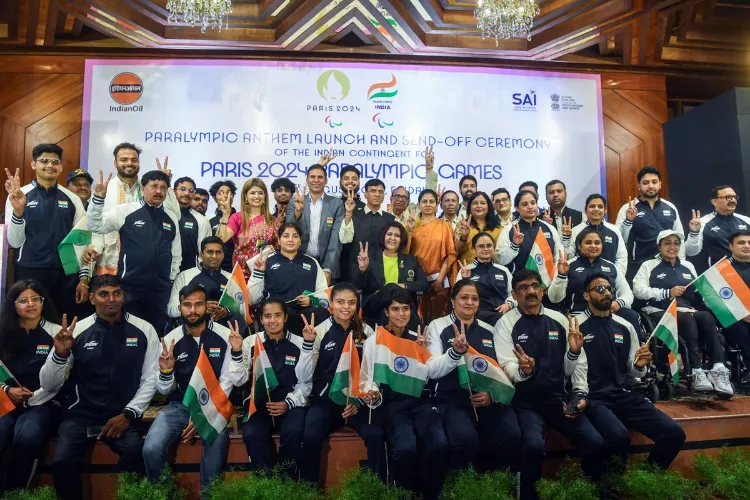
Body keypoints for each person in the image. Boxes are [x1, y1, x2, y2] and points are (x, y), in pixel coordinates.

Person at [40, 275, 160, 500]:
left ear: (123, 296)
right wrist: (60, 354)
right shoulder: (76, 331)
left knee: (136, 455)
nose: (111, 299)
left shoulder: (144, 329)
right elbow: (48, 384)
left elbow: (151, 378)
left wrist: (128, 414)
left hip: (122, 416)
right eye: (104, 294)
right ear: (92, 298)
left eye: (117, 293)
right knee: (61, 462)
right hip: (80, 416)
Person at [495, 268, 604, 500]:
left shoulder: (560, 320)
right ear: (514, 295)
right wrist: (523, 370)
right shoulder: (505, 324)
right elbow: (507, 367)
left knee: (595, 443)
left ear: (543, 291)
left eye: (535, 286)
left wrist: (574, 357)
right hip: (524, 402)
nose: (530, 291)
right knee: (533, 447)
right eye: (523, 288)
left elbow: (573, 366)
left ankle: (581, 493)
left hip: (557, 399)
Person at [359, 288, 466, 499]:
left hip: (421, 403)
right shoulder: (376, 340)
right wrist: (372, 394)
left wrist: (455, 352)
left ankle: (430, 494)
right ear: (386, 312)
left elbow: (434, 369)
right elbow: (367, 378)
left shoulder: (419, 337)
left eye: (406, 309)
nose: (401, 314)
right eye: (395, 309)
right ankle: (404, 494)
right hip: (392, 405)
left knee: (440, 445)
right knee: (405, 449)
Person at [578, 273, 686, 475]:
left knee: (674, 434)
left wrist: (640, 364)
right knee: (618, 437)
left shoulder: (625, 326)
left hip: (623, 394)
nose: (606, 293)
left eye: (610, 289)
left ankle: (647, 481)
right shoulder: (575, 324)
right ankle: (611, 488)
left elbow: (635, 372)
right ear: (586, 296)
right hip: (593, 397)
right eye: (600, 289)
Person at [143, 284, 234, 493]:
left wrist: (204, 412)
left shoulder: (226, 335)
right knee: (151, 448)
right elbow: (165, 390)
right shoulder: (169, 340)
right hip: (179, 407)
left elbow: (228, 379)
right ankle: (167, 496)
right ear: (180, 307)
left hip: (214, 406)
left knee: (216, 445)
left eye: (198, 304)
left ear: (207, 307)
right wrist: (166, 372)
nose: (193, 310)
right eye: (187, 305)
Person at [427, 279, 521, 473]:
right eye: (464, 297)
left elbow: (500, 372)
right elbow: (432, 370)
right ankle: (463, 490)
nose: (469, 302)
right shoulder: (437, 326)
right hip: (451, 401)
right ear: (453, 300)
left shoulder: (490, 330)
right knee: (465, 440)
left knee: (511, 435)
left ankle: (496, 487)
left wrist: (492, 395)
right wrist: (454, 353)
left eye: (474, 298)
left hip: (485, 401)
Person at [300, 283, 386, 485]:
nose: (346, 307)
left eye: (351, 302)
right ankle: (307, 491)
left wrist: (362, 398)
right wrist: (307, 344)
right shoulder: (318, 331)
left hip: (357, 401)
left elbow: (373, 371)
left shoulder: (367, 331)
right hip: (326, 401)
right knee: (310, 437)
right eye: (340, 302)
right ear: (331, 304)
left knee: (376, 435)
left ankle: (377, 491)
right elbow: (304, 375)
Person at [633, 230, 732, 395]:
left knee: (707, 317)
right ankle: (696, 370)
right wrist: (667, 293)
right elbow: (638, 290)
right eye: (667, 243)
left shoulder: (688, 266)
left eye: (676, 243)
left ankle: (718, 368)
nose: (672, 247)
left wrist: (718, 304)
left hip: (686, 308)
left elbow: (700, 290)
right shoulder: (648, 265)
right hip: (660, 310)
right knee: (686, 319)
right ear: (659, 246)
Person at [88, 170, 181, 334]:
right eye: (154, 186)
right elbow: (95, 225)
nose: (158, 191)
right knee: (127, 333)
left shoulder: (171, 217)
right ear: (143, 187)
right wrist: (98, 199)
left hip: (160, 289)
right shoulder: (124, 211)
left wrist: (170, 279)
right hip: (130, 287)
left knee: (155, 333)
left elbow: (176, 253)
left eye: (163, 187)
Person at [232, 299, 313, 476]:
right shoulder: (249, 342)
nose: (273, 320)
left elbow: (306, 382)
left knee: (294, 433)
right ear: (261, 319)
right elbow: (239, 381)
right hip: (259, 402)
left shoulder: (301, 342)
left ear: (285, 318)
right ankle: (266, 485)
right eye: (267, 316)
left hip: (290, 403)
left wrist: (288, 403)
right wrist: (236, 352)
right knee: (252, 435)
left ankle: (285, 485)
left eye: (277, 315)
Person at [4, 144, 85, 315]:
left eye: (55, 162)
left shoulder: (72, 199)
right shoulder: (19, 195)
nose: (50, 165)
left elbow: (82, 240)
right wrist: (18, 212)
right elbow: (14, 241)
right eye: (44, 161)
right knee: (29, 323)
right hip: (29, 269)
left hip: (64, 273)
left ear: (61, 167)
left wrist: (81, 276)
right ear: (34, 164)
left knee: (61, 322)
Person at [0, 281, 62, 493]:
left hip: (44, 402)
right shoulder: (3, 332)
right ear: (13, 304)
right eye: (23, 300)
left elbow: (59, 380)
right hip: (6, 400)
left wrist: (31, 397)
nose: (30, 304)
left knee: (27, 437)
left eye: (36, 299)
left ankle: (16, 494)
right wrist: (7, 391)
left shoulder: (57, 333)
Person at [93, 144, 178, 276]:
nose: (129, 163)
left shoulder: (149, 187)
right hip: (109, 263)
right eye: (124, 159)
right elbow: (96, 225)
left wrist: (166, 182)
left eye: (134, 160)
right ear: (115, 163)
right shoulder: (105, 189)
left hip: (143, 269)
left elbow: (173, 216)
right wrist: (95, 247)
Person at [548, 227, 640, 333]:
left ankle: (639, 348)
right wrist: (561, 275)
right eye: (588, 242)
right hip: (579, 315)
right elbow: (554, 298)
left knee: (631, 315)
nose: (593, 246)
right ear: (579, 245)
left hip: (609, 313)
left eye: (597, 243)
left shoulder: (612, 267)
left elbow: (628, 293)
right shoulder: (568, 265)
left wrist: (618, 303)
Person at [249, 223, 330, 332]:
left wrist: (312, 301)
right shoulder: (267, 261)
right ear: (278, 240)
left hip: (305, 310)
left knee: (323, 313)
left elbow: (324, 294)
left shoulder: (312, 262)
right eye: (286, 236)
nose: (290, 240)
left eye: (295, 236)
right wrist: (258, 272)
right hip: (276, 311)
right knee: (287, 314)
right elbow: (252, 299)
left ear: (300, 241)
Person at [615, 166, 684, 280]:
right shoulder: (628, 208)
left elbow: (680, 239)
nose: (650, 186)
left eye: (654, 182)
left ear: (660, 184)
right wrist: (628, 221)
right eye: (646, 183)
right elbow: (619, 240)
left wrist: (681, 264)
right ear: (639, 186)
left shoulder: (670, 207)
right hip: (637, 267)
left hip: (666, 266)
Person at [353, 222, 429, 321]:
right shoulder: (370, 259)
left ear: (401, 240)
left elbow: (424, 284)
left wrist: (403, 286)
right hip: (375, 306)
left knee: (397, 298)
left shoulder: (411, 261)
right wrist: (362, 268)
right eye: (389, 234)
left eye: (397, 235)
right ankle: (416, 326)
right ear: (383, 237)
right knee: (392, 287)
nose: (392, 238)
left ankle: (415, 329)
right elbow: (358, 286)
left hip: (401, 306)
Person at [167, 236, 246, 332]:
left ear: (223, 255)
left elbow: (243, 309)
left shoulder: (231, 278)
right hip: (193, 324)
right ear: (201, 254)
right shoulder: (185, 276)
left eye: (218, 252)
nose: (214, 256)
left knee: (238, 318)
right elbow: (171, 310)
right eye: (210, 252)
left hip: (224, 326)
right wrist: (199, 307)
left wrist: (227, 310)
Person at [287, 164, 344, 284]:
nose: (316, 180)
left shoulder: (336, 203)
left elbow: (336, 239)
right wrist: (298, 211)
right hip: (298, 262)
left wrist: (328, 268)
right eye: (312, 177)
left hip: (326, 265)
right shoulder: (295, 201)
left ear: (326, 180)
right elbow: (288, 232)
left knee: (324, 302)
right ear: (307, 179)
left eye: (320, 177)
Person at [409, 189, 456, 323]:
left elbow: (449, 254)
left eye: (431, 201)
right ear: (418, 204)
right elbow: (406, 253)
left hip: (439, 280)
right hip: (416, 280)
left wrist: (440, 280)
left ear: (437, 205)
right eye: (424, 201)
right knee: (417, 320)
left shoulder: (444, 225)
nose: (428, 204)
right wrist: (409, 231)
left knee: (438, 320)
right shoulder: (413, 225)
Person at [217, 178, 278, 281]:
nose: (257, 196)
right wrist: (226, 214)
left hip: (267, 273)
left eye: (260, 193)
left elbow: (278, 246)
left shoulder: (272, 220)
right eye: (252, 193)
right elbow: (221, 239)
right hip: (242, 275)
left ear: (265, 197)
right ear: (245, 196)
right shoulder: (237, 218)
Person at [339, 179, 396, 281]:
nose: (377, 194)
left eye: (380, 192)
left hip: (382, 272)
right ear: (365, 195)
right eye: (373, 191)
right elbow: (344, 239)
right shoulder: (353, 215)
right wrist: (348, 214)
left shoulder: (390, 219)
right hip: (355, 271)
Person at [686, 185, 750, 271]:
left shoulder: (746, 220)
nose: (733, 200)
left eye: (735, 197)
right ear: (714, 201)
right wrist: (694, 232)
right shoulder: (703, 223)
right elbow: (690, 252)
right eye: (728, 197)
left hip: (746, 272)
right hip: (719, 276)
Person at [456, 232, 514, 325]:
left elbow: (514, 294)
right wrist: (465, 279)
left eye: (489, 245)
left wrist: (509, 304)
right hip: (477, 316)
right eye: (481, 246)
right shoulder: (466, 270)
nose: (486, 249)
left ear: (494, 247)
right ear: (474, 249)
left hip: (503, 313)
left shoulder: (503, 270)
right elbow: (458, 298)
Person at [496, 190, 561, 274]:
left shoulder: (549, 228)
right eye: (525, 204)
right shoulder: (509, 229)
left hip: (548, 282)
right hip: (519, 282)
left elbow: (559, 255)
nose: (530, 207)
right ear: (516, 208)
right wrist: (514, 246)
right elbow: (499, 260)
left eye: (533, 203)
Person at [717, 230, 750, 385]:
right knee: (733, 321)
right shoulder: (721, 269)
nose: (746, 246)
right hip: (732, 315)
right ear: (731, 246)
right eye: (741, 242)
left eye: (749, 243)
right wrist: (740, 313)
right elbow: (713, 300)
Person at [567, 194, 627, 276]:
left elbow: (621, 257)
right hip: (582, 280)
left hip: (610, 279)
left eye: (600, 206)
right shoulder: (575, 231)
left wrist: (615, 277)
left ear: (605, 210)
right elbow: (570, 257)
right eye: (592, 206)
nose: (596, 209)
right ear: (585, 210)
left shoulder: (614, 230)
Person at [174, 176, 211, 272]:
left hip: (188, 276)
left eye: (190, 190)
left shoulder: (201, 220)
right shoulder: (163, 213)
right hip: (161, 274)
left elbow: (205, 254)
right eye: (182, 189)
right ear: (174, 191)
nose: (186, 193)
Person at [456, 191, 503, 264]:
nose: (479, 206)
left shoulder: (498, 228)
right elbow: (457, 250)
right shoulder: (462, 225)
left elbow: (501, 255)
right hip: (467, 271)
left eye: (483, 203)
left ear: (488, 206)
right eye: (475, 203)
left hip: (492, 271)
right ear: (470, 207)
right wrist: (464, 237)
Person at [208, 180, 237, 272]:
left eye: (228, 192)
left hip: (238, 266)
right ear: (214, 197)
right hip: (216, 266)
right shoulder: (209, 220)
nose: (225, 196)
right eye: (220, 193)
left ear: (233, 196)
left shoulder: (240, 218)